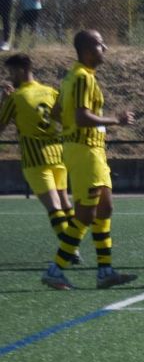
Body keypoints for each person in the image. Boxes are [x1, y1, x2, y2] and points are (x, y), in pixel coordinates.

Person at [43, 30, 137, 290]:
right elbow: (82, 117)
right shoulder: (82, 77)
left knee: (105, 208)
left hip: (90, 149)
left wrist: (72, 128)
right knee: (85, 214)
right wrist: (116, 120)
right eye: (99, 44)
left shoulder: (73, 76)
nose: (104, 48)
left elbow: (57, 112)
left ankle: (105, 271)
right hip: (85, 151)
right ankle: (55, 269)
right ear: (86, 50)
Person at [0, 54, 80, 275]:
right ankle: (73, 245)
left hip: (36, 159)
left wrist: (3, 101)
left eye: (11, 72)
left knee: (54, 207)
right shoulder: (50, 91)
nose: (9, 77)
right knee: (65, 204)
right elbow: (65, 119)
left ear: (21, 70)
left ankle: (69, 250)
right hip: (58, 155)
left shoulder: (16, 98)